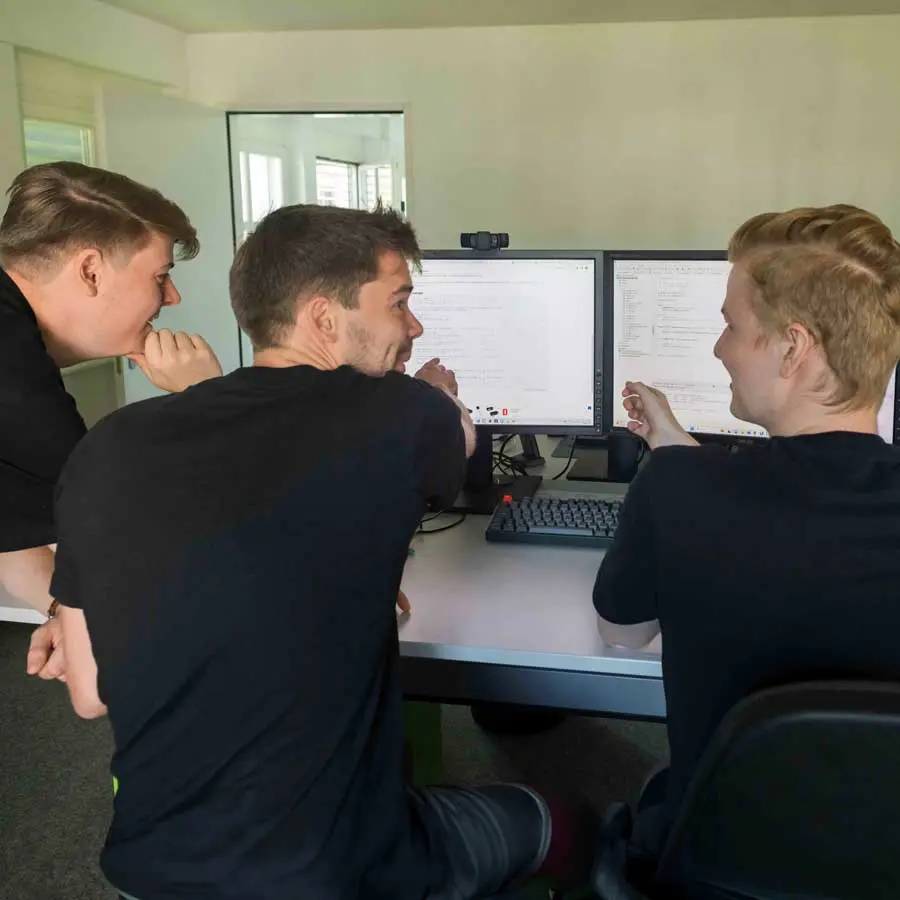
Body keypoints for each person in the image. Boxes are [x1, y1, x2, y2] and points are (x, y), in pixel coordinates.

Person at [50, 204, 584, 899]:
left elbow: (90, 693)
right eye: (399, 303)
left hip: (149, 874)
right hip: (333, 874)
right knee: (559, 820)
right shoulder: (406, 416)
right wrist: (431, 397)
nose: (414, 328)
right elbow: (458, 437)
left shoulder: (105, 448)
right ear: (324, 319)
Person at [592, 203, 900, 856]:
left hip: (721, 860)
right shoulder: (684, 480)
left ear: (793, 348)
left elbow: (622, 635)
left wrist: (673, 472)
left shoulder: (676, 488)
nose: (719, 348)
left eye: (732, 326)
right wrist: (678, 450)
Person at [0, 161, 224, 681]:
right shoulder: (12, 368)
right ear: (91, 271)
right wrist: (206, 402)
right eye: (161, 277)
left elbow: (14, 529)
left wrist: (65, 612)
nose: (172, 297)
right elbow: (137, 538)